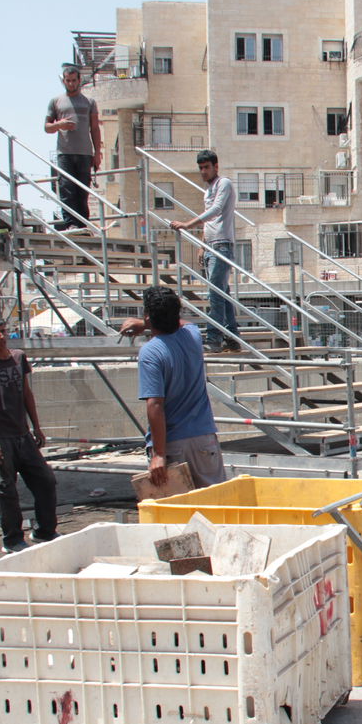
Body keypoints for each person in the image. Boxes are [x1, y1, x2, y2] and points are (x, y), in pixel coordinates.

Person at [121, 287, 227, 489]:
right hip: (204, 439)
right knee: (217, 505)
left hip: (174, 444)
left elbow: (155, 405)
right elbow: (184, 323)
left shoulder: (151, 352)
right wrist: (146, 323)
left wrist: (158, 454)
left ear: (149, 316)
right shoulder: (192, 336)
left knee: (178, 512)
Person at [0, 316, 58, 552]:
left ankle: (44, 531)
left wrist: (36, 427)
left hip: (23, 435)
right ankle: (12, 540)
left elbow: (26, 393)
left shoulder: (18, 358)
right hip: (3, 438)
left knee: (46, 481)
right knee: (7, 490)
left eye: (3, 331)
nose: (1, 337)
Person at [170, 149, 240, 352]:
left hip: (222, 245)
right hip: (211, 246)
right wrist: (202, 245)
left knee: (215, 294)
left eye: (206, 167)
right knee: (223, 293)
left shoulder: (223, 183)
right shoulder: (207, 191)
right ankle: (233, 338)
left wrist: (187, 224)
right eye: (200, 168)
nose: (203, 172)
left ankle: (214, 339)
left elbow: (216, 210)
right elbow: (209, 223)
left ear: (215, 167)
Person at [44, 64, 102, 232]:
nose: (70, 84)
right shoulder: (56, 102)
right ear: (64, 81)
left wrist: (97, 153)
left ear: (79, 81)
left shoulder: (89, 102)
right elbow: (46, 127)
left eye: (73, 81)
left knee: (83, 189)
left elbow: (95, 128)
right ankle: (70, 223)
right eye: (67, 81)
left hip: (84, 152)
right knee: (66, 188)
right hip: (65, 152)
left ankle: (83, 224)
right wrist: (60, 124)